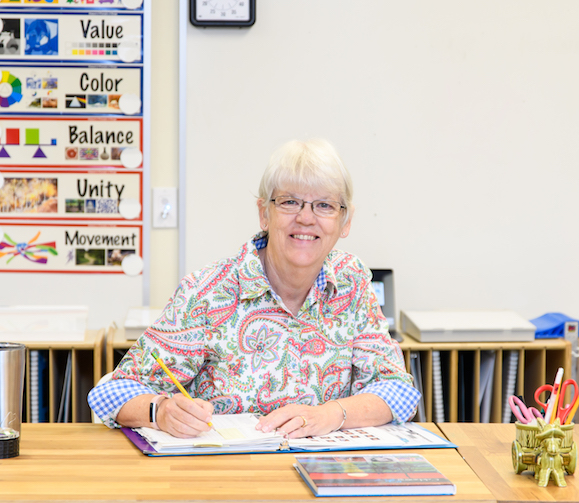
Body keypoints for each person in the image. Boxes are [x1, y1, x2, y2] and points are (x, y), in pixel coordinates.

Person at [88, 139, 419, 439]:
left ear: (345, 222)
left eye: (325, 205)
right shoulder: (207, 291)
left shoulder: (351, 281)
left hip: (326, 480)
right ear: (264, 213)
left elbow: (398, 390)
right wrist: (159, 411)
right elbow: (109, 394)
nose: (306, 218)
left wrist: (330, 414)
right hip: (231, 480)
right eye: (290, 202)